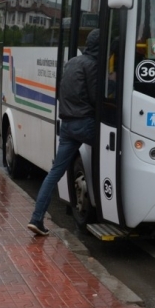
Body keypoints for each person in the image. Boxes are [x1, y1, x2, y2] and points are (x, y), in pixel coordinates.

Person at [28, 29, 100, 236]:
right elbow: (96, 98)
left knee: (54, 173)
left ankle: (36, 218)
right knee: (115, 152)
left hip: (67, 125)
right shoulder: (93, 65)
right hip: (86, 124)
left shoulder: (72, 62)